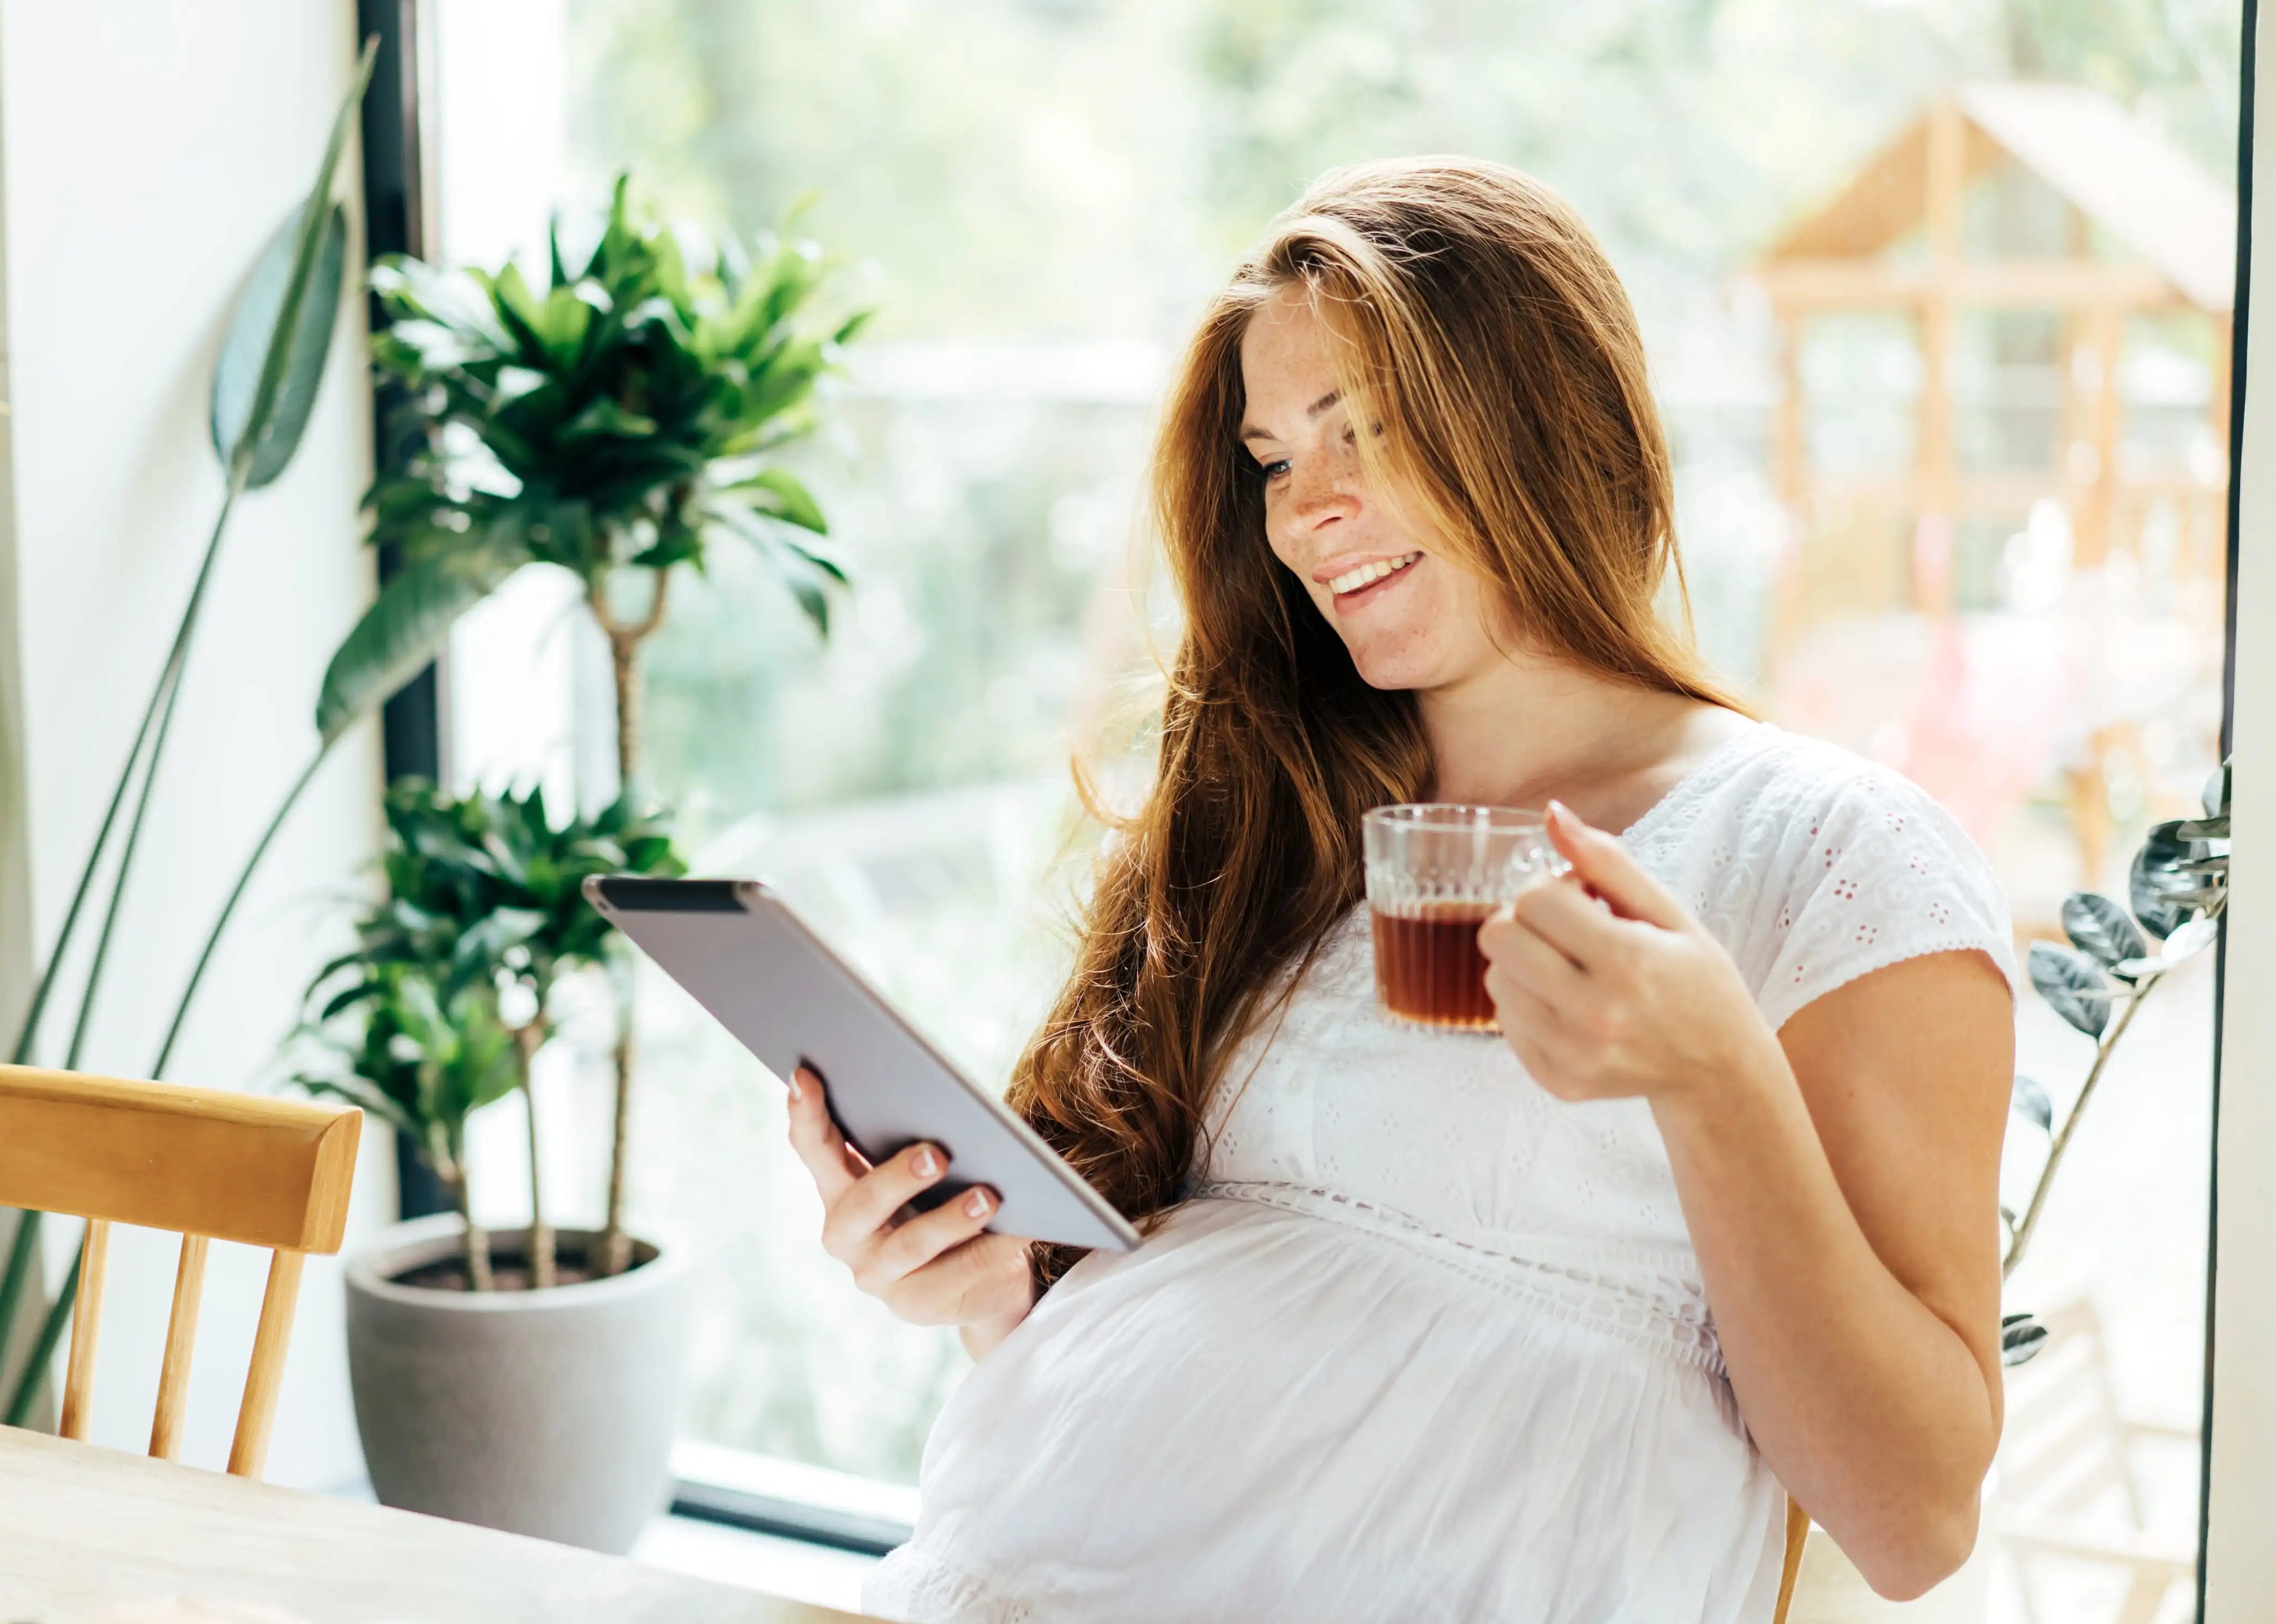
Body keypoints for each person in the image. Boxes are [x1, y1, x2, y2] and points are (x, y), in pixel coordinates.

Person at [784, 156, 2016, 1623]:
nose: (1308, 511)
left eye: (1358, 427)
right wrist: (991, 1298)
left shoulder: (1827, 851)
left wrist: (1715, 1080)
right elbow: (1245, 1348)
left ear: (1542, 417)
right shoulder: (1274, 815)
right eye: (1273, 458)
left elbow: (1915, 1519)